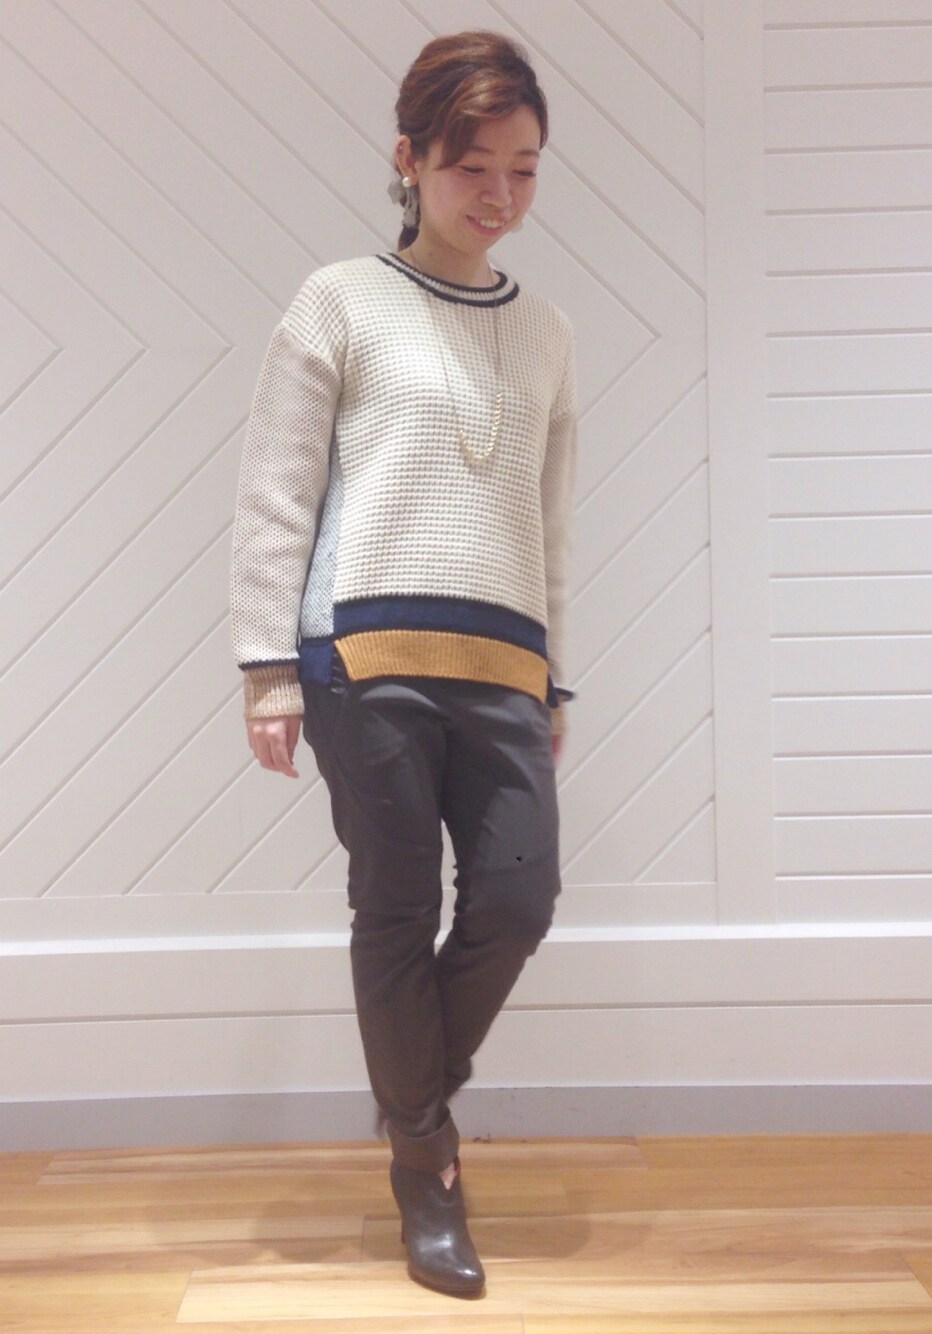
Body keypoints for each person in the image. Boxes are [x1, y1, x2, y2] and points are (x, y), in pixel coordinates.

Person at [230, 30, 577, 1299]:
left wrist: (554, 674)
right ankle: (426, 1166)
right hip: (361, 655)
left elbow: (550, 516)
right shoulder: (338, 301)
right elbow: (278, 489)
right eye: (472, 165)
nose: (499, 194)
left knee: (518, 898)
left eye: (523, 168)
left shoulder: (546, 330)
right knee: (394, 904)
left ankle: (412, 1107)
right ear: (410, 159)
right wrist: (266, 668)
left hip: (503, 658)